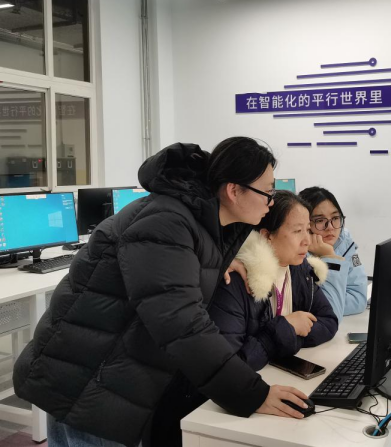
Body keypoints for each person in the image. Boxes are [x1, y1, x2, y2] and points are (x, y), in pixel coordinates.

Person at [13, 139, 309, 447]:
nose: (271, 202)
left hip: (103, 375)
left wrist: (218, 262)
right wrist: (251, 393)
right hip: (85, 382)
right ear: (234, 191)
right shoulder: (167, 223)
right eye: (268, 192)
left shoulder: (196, 221)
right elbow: (182, 325)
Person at [209, 191, 338, 371]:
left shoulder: (301, 270)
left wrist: (288, 336)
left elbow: (329, 321)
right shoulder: (236, 279)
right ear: (266, 236)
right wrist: (287, 328)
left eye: (308, 230)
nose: (307, 241)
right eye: (297, 231)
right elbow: (230, 366)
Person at [298, 187, 367, 323]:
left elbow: (358, 297)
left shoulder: (346, 243)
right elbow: (319, 309)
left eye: (335, 218)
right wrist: (329, 257)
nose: (330, 227)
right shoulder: (296, 253)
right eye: (319, 220)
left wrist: (328, 302)